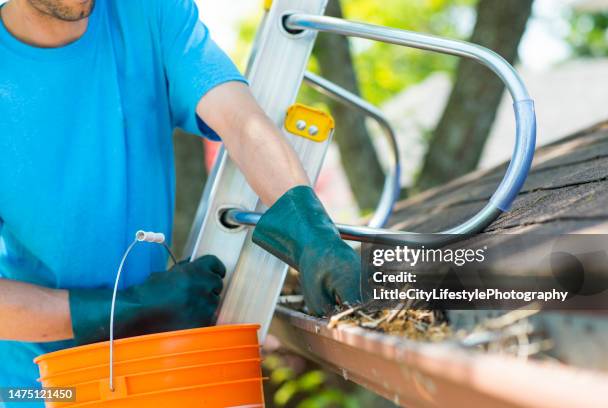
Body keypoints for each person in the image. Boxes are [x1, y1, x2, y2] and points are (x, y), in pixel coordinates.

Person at [0, 0, 361, 395]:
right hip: (39, 387)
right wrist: (129, 307)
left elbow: (240, 120)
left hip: (158, 368)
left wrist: (311, 231)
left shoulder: (149, 12)